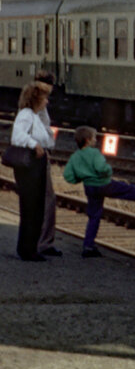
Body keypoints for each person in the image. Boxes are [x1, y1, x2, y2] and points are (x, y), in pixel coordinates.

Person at [63, 125, 135, 258]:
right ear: (88, 140)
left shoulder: (75, 156)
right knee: (131, 191)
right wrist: (107, 172)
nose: (96, 140)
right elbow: (102, 168)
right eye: (94, 138)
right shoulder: (94, 153)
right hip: (104, 184)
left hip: (89, 187)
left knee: (94, 215)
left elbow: (68, 175)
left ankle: (88, 246)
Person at [10, 81, 55, 261]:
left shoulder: (35, 116)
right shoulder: (26, 115)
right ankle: (28, 250)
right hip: (29, 165)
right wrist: (34, 144)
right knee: (31, 207)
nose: (47, 102)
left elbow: (48, 139)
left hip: (36, 163)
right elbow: (17, 135)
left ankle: (30, 248)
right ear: (35, 99)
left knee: (35, 207)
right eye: (44, 98)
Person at [33, 71, 61, 256]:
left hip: (40, 155)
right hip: (38, 157)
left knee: (42, 200)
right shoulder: (36, 103)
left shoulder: (34, 101)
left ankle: (40, 242)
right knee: (47, 199)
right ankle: (43, 243)